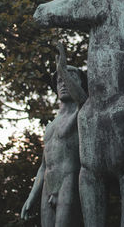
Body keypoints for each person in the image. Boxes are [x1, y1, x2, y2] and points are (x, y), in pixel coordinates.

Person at [21, 42, 87, 227]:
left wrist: (62, 69)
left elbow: (82, 100)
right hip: (49, 184)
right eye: (60, 81)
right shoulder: (50, 126)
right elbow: (43, 167)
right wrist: (31, 197)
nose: (63, 84)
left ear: (79, 84)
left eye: (68, 80)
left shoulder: (81, 113)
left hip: (69, 180)